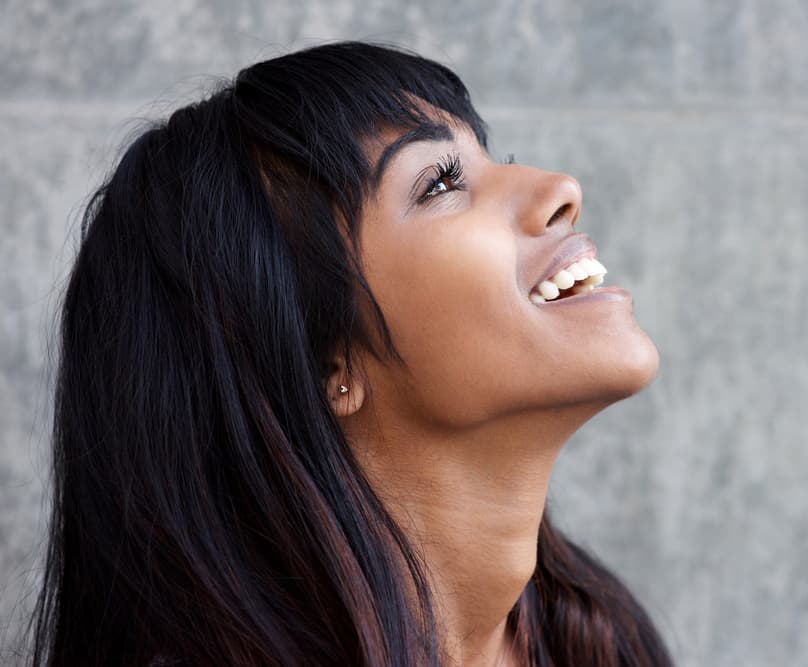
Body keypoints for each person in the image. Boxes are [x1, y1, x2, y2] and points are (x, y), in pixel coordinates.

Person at [27, 41, 672, 666]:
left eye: (491, 157)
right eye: (442, 183)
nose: (560, 188)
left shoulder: (597, 640)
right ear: (325, 367)